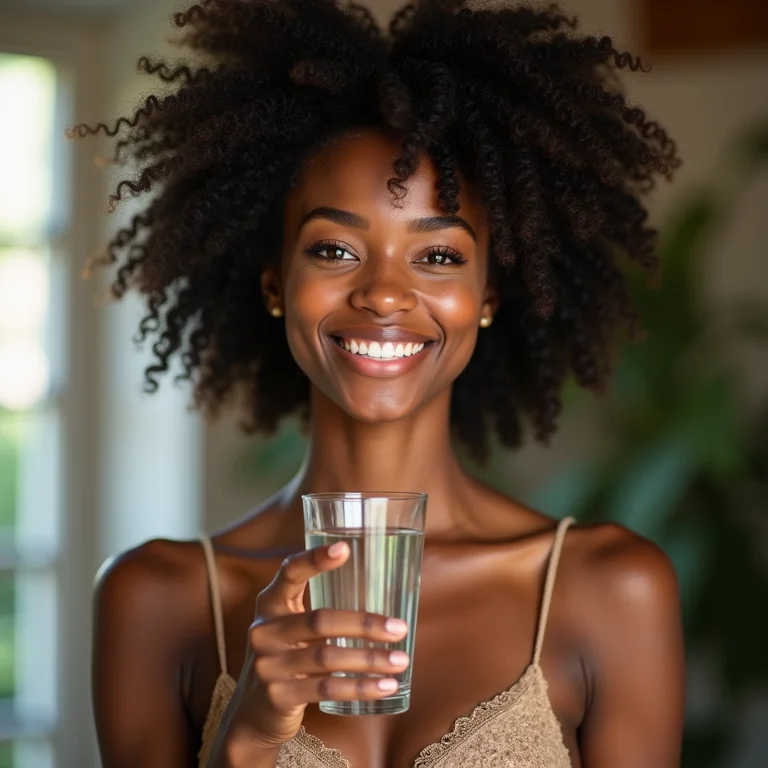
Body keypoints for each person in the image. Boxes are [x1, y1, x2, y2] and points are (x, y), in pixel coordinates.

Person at [75, 1, 686, 766]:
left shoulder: (610, 588)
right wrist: (248, 740)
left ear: (489, 297)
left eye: (437, 257)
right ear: (275, 283)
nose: (385, 294)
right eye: (334, 250)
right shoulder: (156, 598)